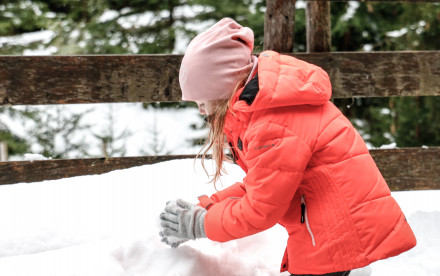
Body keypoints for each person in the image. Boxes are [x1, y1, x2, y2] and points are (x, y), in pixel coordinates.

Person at [159, 18, 417, 276]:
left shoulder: (272, 123)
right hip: (337, 228)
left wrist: (200, 224)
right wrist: (207, 208)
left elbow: (259, 211)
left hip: (336, 235)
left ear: (223, 85)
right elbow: (262, 184)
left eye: (201, 99)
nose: (201, 109)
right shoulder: (264, 106)